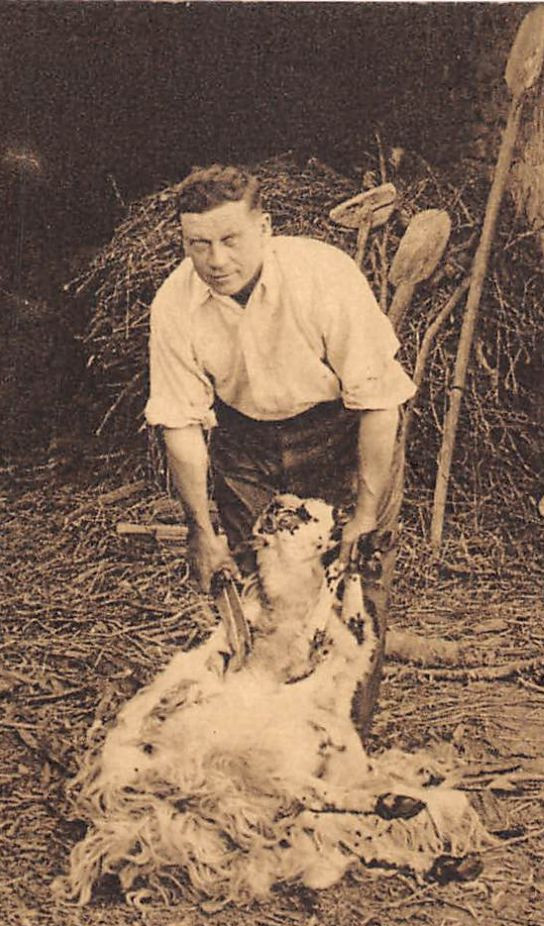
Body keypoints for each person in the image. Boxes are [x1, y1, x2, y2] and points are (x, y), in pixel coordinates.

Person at [144, 164, 416, 735]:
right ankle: (267, 739)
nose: (216, 260)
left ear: (264, 227)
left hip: (341, 429)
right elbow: (180, 423)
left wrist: (365, 516)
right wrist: (201, 529)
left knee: (355, 587)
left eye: (230, 240)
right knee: (255, 587)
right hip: (246, 440)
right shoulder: (174, 305)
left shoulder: (324, 277)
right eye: (199, 244)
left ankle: (346, 741)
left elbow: (379, 401)